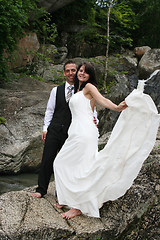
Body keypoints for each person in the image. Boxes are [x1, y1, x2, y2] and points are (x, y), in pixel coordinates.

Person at [53, 62, 160, 219]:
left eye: (85, 72)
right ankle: (69, 198)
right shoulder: (77, 90)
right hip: (76, 132)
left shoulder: (89, 87)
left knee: (80, 167)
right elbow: (89, 110)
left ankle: (78, 206)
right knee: (63, 163)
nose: (82, 73)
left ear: (90, 75)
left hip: (84, 133)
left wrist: (116, 107)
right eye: (80, 71)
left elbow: (102, 100)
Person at [32, 60, 98, 198]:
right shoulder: (56, 90)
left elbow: (91, 109)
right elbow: (49, 110)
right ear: (64, 73)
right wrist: (45, 128)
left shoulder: (83, 90)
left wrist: (94, 120)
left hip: (71, 132)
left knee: (65, 163)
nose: (70, 73)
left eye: (73, 70)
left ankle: (61, 193)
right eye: (67, 71)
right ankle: (41, 190)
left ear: (77, 71)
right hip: (54, 129)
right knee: (47, 159)